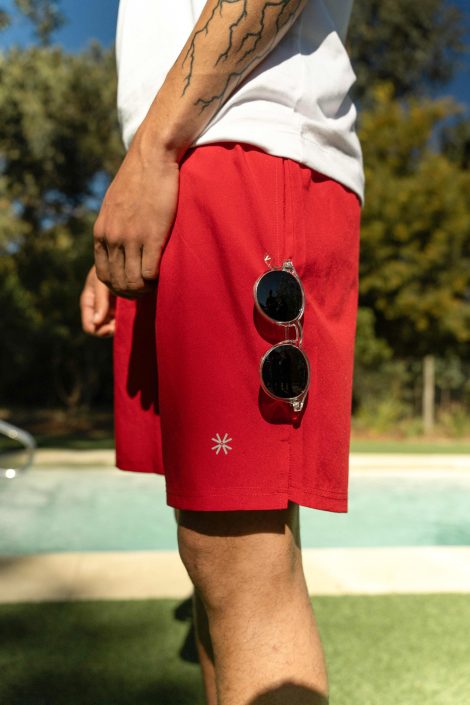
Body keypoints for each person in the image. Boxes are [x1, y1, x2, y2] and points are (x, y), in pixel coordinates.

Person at [80, 1, 364, 703]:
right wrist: (136, 181)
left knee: (239, 558)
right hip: (186, 161)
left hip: (244, 148)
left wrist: (152, 152)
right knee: (211, 547)